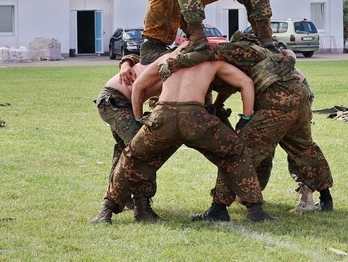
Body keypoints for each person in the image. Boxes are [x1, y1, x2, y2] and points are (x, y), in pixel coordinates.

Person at [159, 32, 334, 219]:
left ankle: (219, 207)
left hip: (277, 103)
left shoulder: (238, 49)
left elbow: (208, 53)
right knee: (304, 148)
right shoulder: (265, 52)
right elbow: (232, 86)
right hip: (300, 99)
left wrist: (175, 62)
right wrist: (218, 105)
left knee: (238, 152)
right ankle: (325, 198)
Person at [92, 51, 275, 223]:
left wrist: (139, 119)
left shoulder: (168, 57)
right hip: (195, 118)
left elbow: (139, 85)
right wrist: (245, 118)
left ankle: (107, 210)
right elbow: (246, 82)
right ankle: (253, 209)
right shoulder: (212, 59)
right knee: (235, 153)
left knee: (133, 157)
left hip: (163, 117)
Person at [94, 58, 162, 218]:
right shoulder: (172, 58)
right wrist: (126, 62)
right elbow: (141, 56)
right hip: (115, 102)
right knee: (143, 150)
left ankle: (126, 200)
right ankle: (141, 207)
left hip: (116, 102)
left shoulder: (175, 59)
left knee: (125, 151)